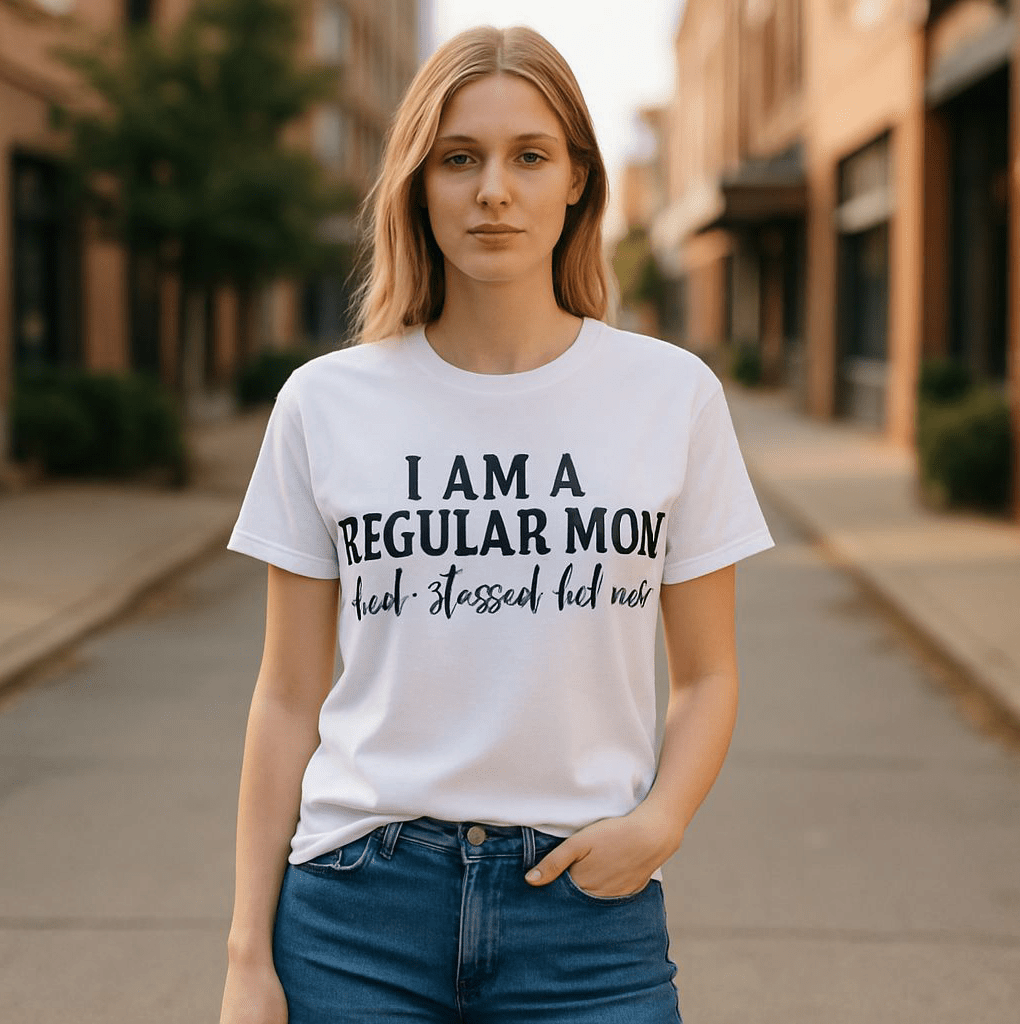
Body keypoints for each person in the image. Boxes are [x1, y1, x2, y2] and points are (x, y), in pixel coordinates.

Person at [218, 23, 774, 1024]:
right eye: (457, 158)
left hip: (585, 918)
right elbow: (287, 692)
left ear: (577, 183)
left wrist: (662, 819)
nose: (492, 190)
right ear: (416, 186)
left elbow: (708, 673)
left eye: (528, 156)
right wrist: (245, 954)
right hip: (355, 914)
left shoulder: (670, 395)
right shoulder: (324, 402)